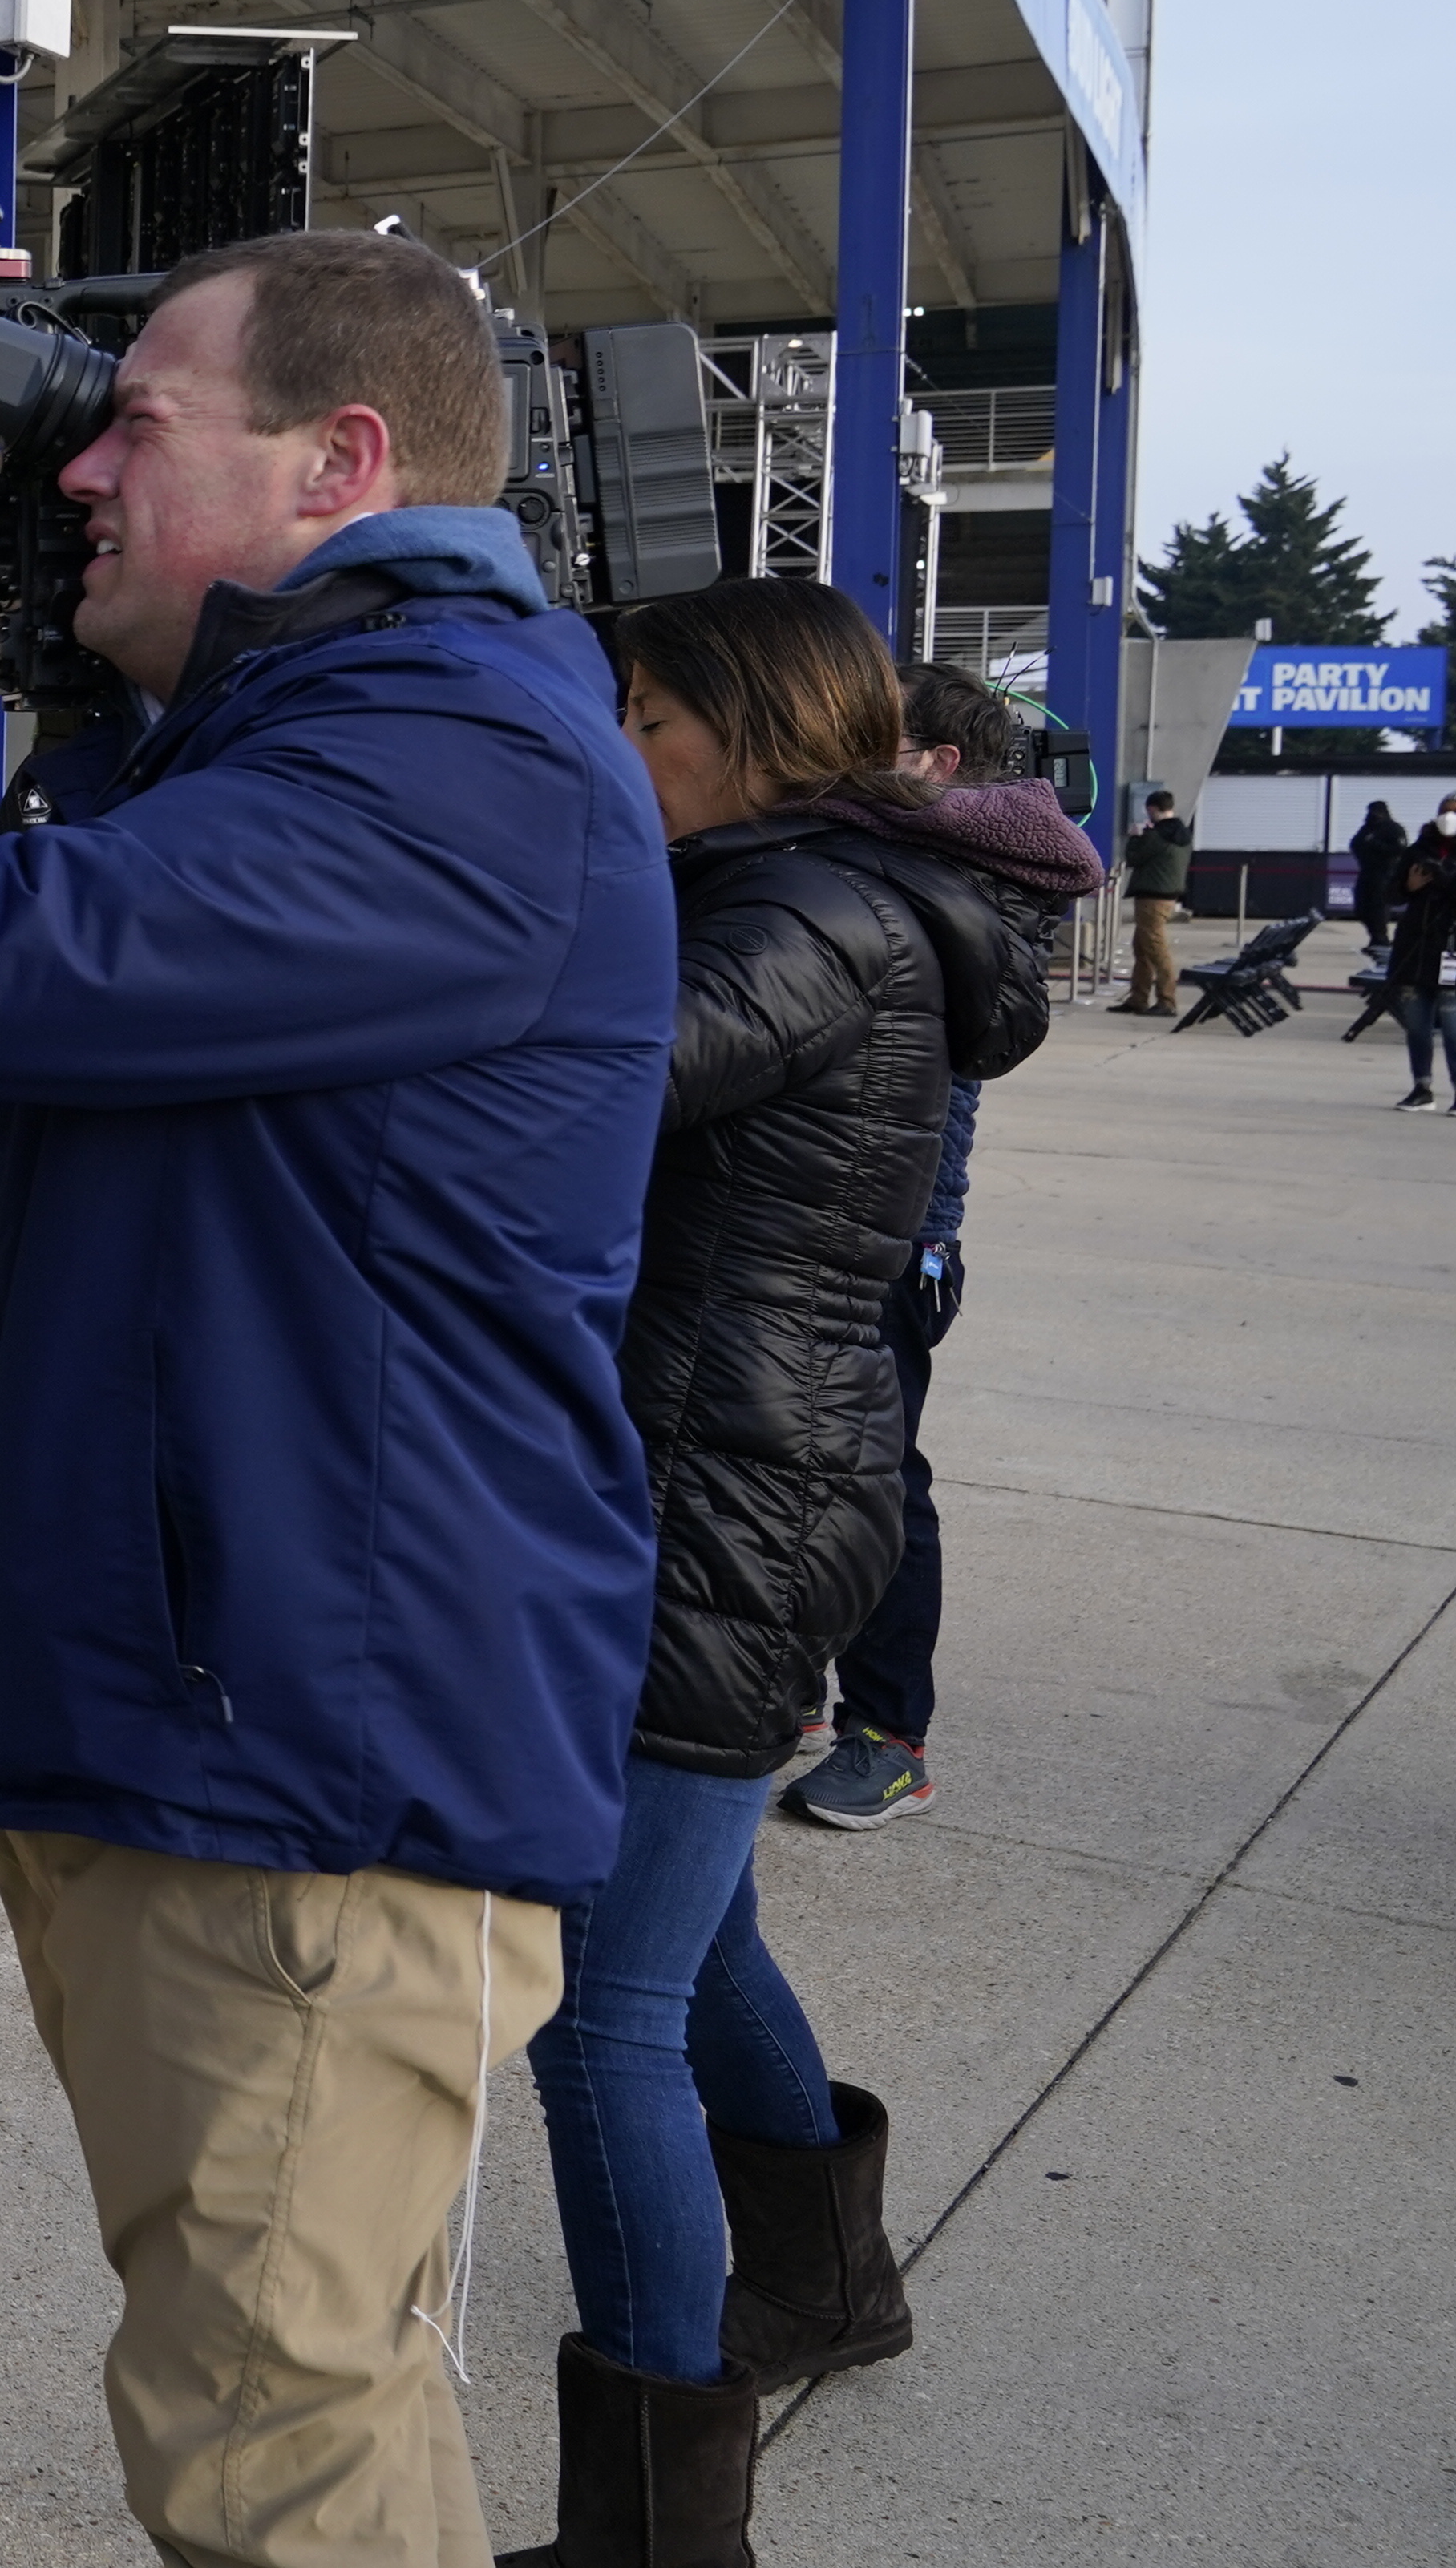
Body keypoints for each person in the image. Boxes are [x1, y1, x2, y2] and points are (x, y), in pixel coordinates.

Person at [0, 228, 673, 2568]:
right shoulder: (291, 751)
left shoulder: (462, 753)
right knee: (286, 2384)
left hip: (306, 1763)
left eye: (132, 428)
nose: (74, 474)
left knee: (265, 2427)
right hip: (195, 1726)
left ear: (337, 460)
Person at [496, 582, 1054, 2568]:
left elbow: (574, 1088)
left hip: (712, 1502)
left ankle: (657, 2532)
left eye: (646, 718)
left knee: (595, 2012)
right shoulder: (819, 892)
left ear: (747, 730)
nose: (620, 750)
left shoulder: (798, 916)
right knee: (696, 1932)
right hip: (745, 1475)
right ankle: (824, 2278)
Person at [789, 664, 1107, 1833]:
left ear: (942, 766)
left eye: (875, 744)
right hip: (817, 1209)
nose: (839, 764)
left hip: (896, 1228)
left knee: (876, 1480)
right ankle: (801, 1694)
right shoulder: (893, 843)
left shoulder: (966, 868)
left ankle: (890, 1733)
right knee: (784, 1473)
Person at [1378, 848, 1453, 1109]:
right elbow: (1390, 894)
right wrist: (1409, 886)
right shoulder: (1420, 851)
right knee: (1417, 1028)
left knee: (1453, 1031)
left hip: (1450, 953)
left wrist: (1443, 878)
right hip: (1414, 952)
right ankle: (1422, 1086)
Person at [1118, 790, 1191, 1013]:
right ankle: (1138, 998)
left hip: (1151, 898)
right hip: (1168, 897)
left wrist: (1134, 837)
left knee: (1156, 950)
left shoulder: (1156, 835)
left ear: (1152, 809)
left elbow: (1133, 858)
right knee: (1142, 949)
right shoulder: (1182, 833)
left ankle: (1166, 1000)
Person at [1352, 800, 1412, 955]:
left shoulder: (1394, 829)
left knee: (1378, 907)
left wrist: (1375, 845)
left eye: (1376, 812)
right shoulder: (1367, 828)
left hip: (1385, 874)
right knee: (1362, 907)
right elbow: (1356, 843)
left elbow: (1399, 849)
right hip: (1367, 872)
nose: (1373, 815)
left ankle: (1381, 939)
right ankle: (1374, 936)